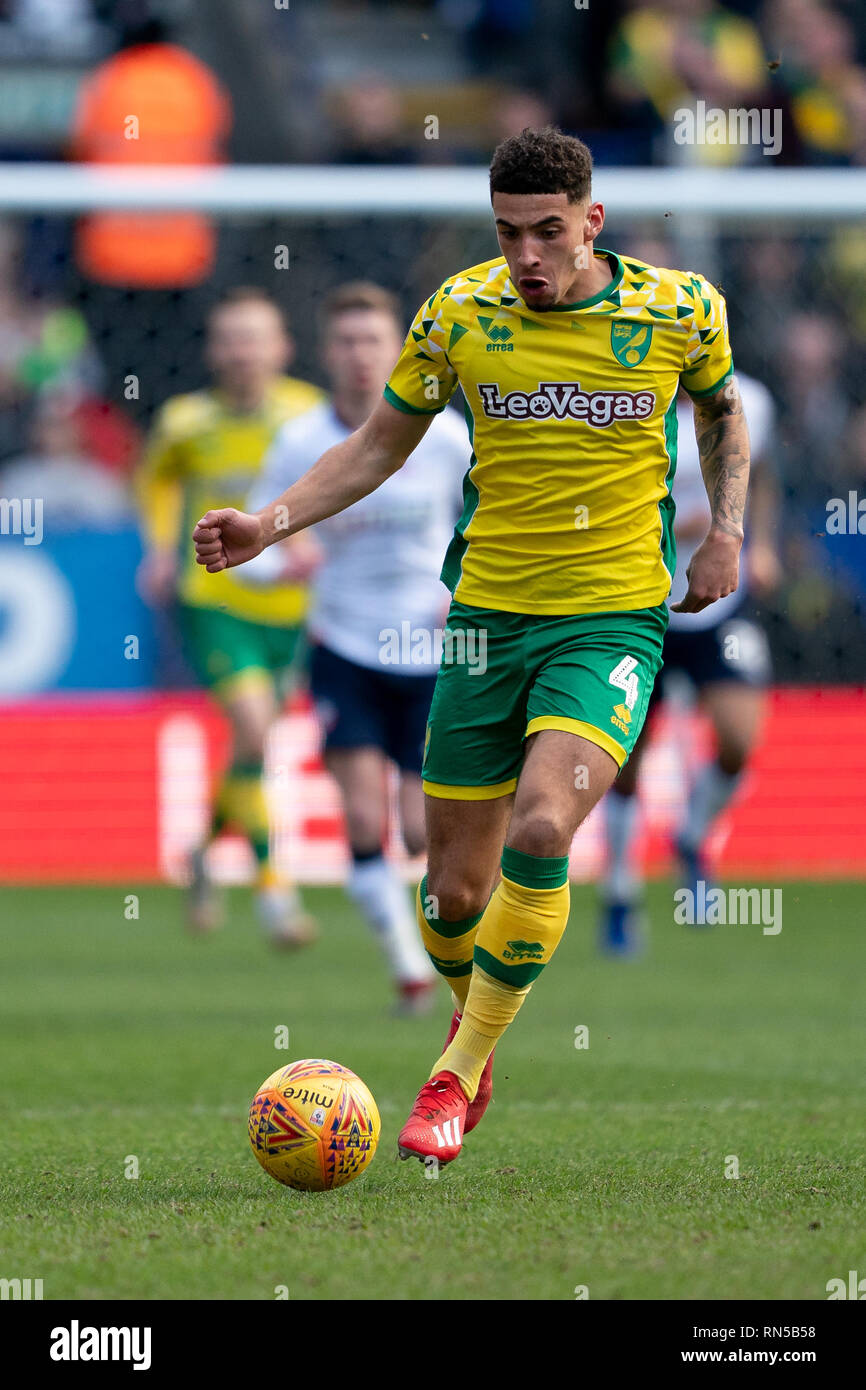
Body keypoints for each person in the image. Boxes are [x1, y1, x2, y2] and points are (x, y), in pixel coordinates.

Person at [192, 127, 749, 1169]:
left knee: (542, 825)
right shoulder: (459, 311)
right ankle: (476, 1031)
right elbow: (374, 446)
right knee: (452, 897)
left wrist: (725, 531)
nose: (525, 258)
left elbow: (721, 415)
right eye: (506, 235)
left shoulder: (679, 308)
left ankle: (449, 1074)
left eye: (546, 234)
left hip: (609, 620)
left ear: (592, 222)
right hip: (484, 624)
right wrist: (269, 524)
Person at [246, 282, 470, 1015]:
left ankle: (461, 957)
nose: (359, 354)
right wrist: (287, 558)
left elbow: (484, 521)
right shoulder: (299, 442)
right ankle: (407, 968)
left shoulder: (443, 436)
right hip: (343, 644)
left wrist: (460, 587)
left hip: (430, 649)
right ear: (325, 353)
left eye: (373, 339)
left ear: (398, 348)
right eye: (345, 341)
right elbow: (263, 535)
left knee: (420, 829)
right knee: (367, 820)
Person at [137, 288, 323, 944]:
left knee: (253, 744)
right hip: (215, 599)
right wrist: (160, 549)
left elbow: (337, 486)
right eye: (231, 339)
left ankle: (202, 851)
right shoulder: (186, 421)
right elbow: (157, 481)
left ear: (282, 348)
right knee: (252, 728)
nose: (243, 352)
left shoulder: (307, 415)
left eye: (256, 338)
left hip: (292, 606)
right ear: (214, 350)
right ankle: (277, 894)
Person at [599, 371, 780, 954]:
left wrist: (764, 542)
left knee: (738, 739)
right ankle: (621, 896)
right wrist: (679, 528)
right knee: (621, 761)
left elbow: (764, 474)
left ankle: (694, 836)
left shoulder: (749, 399)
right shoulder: (613, 398)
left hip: (721, 605)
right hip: (636, 606)